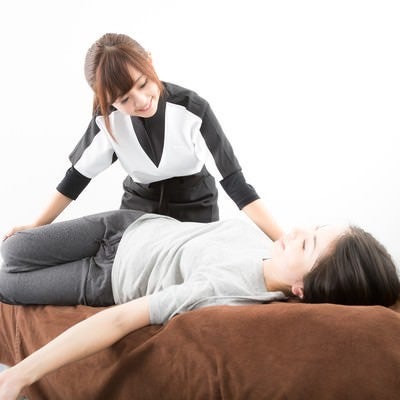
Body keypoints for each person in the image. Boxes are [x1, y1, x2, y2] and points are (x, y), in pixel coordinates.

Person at [0, 209, 399, 399]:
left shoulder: (225, 291)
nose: (296, 230)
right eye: (313, 228)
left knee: (7, 284)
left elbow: (121, 320)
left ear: (301, 290)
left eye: (307, 244)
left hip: (106, 277)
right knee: (15, 250)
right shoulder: (272, 250)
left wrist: (20, 375)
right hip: (127, 225)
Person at [3, 32, 283, 242]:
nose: (140, 101)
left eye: (143, 83)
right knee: (21, 249)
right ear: (108, 101)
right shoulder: (107, 119)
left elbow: (236, 184)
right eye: (124, 99)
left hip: (195, 207)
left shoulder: (192, 110)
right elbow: (76, 178)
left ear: (149, 61)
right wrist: (37, 226)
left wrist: (282, 240)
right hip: (138, 209)